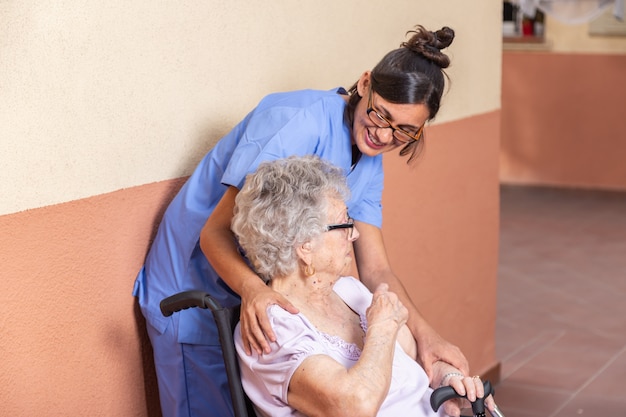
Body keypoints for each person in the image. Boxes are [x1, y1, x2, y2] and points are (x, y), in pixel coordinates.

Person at [133, 24, 468, 416]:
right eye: (381, 115)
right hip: (193, 284)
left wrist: (428, 338)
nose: (383, 134)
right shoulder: (296, 121)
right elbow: (214, 232)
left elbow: (376, 268)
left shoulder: (369, 159)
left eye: (404, 132)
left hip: (263, 293)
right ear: (364, 83)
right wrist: (253, 290)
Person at [231, 155, 495, 417]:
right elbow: (354, 408)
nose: (355, 234)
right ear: (305, 245)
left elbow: (417, 358)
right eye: (345, 224)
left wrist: (449, 378)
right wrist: (381, 328)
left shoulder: (349, 291)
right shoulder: (272, 329)